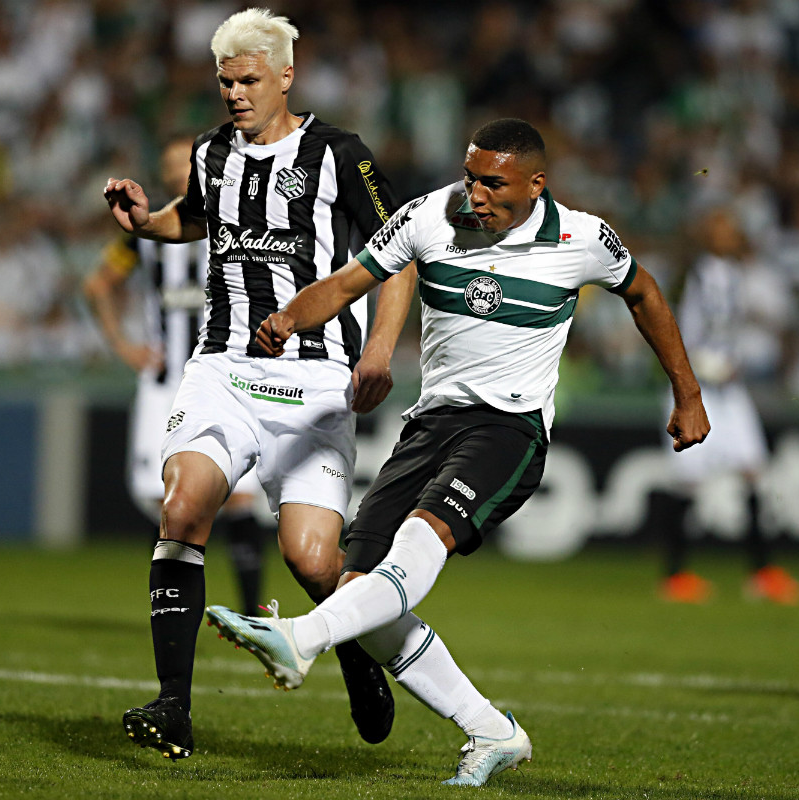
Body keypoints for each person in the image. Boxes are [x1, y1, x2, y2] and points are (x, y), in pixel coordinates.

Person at [205, 118, 710, 786]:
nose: (476, 193)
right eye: (471, 177)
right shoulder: (427, 216)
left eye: (494, 183)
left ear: (536, 184)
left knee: (422, 538)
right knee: (362, 595)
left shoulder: (581, 238)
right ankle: (491, 730)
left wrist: (687, 393)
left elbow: (643, 292)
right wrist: (291, 318)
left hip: (508, 428)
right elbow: (351, 281)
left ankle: (299, 640)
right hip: (430, 425)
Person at [102, 8, 418, 759]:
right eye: (225, 81)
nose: (235, 93)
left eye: (248, 80)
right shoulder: (211, 151)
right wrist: (146, 222)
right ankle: (173, 705)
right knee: (183, 507)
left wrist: (379, 351)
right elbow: (197, 218)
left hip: (316, 378)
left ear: (285, 75)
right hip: (224, 368)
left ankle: (353, 653)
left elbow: (400, 252)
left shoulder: (340, 154)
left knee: (311, 559)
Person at [85, 132, 267, 616]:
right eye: (169, 164)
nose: (175, 172)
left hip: (227, 377)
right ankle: (172, 611)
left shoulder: (238, 220)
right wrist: (124, 345)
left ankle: (252, 615)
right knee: (165, 498)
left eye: (183, 162)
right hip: (166, 383)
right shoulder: (141, 233)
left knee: (241, 496)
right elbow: (98, 285)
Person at [653, 207, 799, 605]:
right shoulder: (692, 276)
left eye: (732, 227)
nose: (730, 233)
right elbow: (673, 326)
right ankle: (674, 575)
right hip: (693, 388)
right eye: (721, 226)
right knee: (688, 481)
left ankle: (762, 572)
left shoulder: (736, 274)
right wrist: (696, 368)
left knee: (754, 472)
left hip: (729, 389)